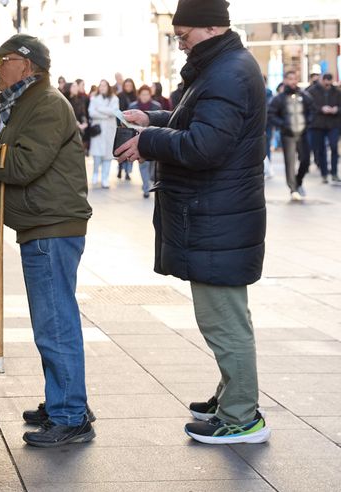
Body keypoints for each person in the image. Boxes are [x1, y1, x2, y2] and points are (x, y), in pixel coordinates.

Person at [115, 0, 270, 445]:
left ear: (209, 28)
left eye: (183, 35)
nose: (179, 43)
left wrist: (149, 142)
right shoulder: (223, 66)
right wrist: (154, 120)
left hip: (217, 215)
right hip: (216, 214)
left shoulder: (226, 72)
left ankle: (243, 418)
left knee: (223, 320)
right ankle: (231, 397)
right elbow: (200, 123)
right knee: (226, 316)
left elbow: (205, 146)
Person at [0, 34, 94, 448]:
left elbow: (21, 164)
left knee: (54, 323)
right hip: (44, 225)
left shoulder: (45, 104)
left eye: (2, 60)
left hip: (51, 227)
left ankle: (70, 415)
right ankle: (64, 400)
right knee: (53, 321)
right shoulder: (29, 103)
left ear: (26, 64)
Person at [268, 70, 313, 200]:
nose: (293, 81)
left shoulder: (304, 96)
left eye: (295, 78)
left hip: (303, 134)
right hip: (287, 135)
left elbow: (312, 110)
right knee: (290, 163)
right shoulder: (279, 98)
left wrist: (308, 122)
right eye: (290, 79)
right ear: (286, 80)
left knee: (305, 160)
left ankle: (298, 182)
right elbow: (271, 114)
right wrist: (283, 124)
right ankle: (293, 189)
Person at [306, 74, 340, 183]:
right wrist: (321, 109)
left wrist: (336, 109)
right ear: (322, 80)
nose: (327, 85)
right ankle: (324, 174)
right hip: (318, 124)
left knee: (334, 147)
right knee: (321, 149)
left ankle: (334, 173)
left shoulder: (337, 92)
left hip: (333, 123)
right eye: (325, 83)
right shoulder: (312, 91)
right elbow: (309, 105)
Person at [128, 85, 161, 198]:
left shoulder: (157, 106)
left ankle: (149, 182)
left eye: (147, 94)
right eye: (143, 94)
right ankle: (146, 187)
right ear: (139, 95)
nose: (145, 96)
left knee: (152, 164)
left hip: (154, 138)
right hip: (138, 139)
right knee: (143, 165)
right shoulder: (133, 106)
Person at [88, 79, 119, 188]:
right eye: (100, 86)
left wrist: (100, 109)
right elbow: (91, 113)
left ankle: (105, 178)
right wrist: (106, 114)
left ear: (108, 87)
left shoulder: (115, 98)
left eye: (104, 86)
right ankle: (95, 174)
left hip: (109, 130)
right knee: (96, 154)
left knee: (108, 156)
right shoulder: (94, 98)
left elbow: (115, 112)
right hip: (98, 130)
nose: (102, 87)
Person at [116, 78, 137, 180]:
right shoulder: (120, 96)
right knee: (121, 148)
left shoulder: (135, 96)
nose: (128, 87)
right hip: (122, 125)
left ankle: (128, 172)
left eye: (130, 85)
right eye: (126, 85)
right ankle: (120, 168)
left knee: (131, 149)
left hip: (133, 126)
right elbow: (117, 111)